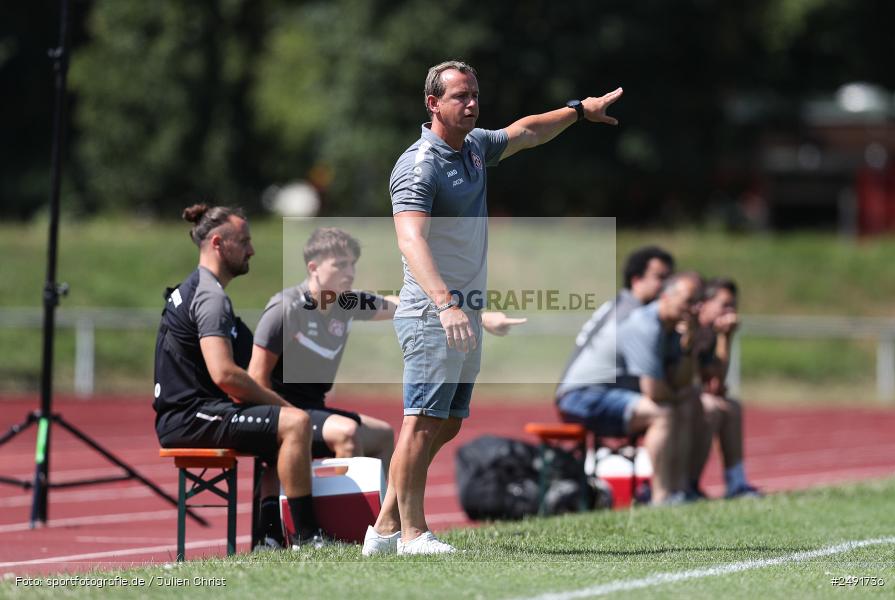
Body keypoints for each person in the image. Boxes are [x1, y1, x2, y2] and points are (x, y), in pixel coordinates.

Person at [364, 60, 623, 555]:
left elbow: (526, 132)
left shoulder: (474, 147)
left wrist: (578, 111)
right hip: (433, 313)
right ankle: (412, 535)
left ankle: (383, 528)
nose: (472, 104)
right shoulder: (419, 165)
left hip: (463, 312)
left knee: (447, 422)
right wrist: (445, 304)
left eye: (475, 95)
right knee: (421, 422)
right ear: (433, 104)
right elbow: (410, 239)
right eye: (460, 96)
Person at [153, 204, 324, 549]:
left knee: (281, 426)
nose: (252, 250)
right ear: (218, 243)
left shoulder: (200, 289)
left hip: (193, 413)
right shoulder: (210, 297)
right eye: (244, 241)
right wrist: (283, 405)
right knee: (294, 423)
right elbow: (225, 375)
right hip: (190, 417)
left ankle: (269, 536)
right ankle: (308, 538)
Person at [247, 227, 398, 548]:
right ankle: (344, 532)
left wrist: (459, 311)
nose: (350, 272)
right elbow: (255, 377)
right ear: (313, 267)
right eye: (340, 264)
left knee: (383, 434)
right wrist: (291, 418)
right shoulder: (286, 308)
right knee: (346, 433)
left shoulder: (347, 303)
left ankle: (384, 526)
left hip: (315, 408)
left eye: (352, 264)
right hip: (281, 411)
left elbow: (397, 305)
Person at [557, 273, 703, 505]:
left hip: (612, 394)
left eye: (698, 302)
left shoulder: (674, 329)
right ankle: (661, 497)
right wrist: (679, 394)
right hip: (581, 396)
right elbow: (654, 390)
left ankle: (683, 489)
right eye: (689, 301)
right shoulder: (645, 324)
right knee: (662, 413)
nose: (695, 309)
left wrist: (688, 347)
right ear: (666, 297)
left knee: (689, 404)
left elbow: (681, 382)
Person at [557, 246, 675, 399]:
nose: (668, 287)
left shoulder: (622, 305)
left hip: (580, 388)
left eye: (670, 279)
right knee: (665, 408)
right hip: (587, 391)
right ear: (636, 280)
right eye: (660, 278)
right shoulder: (631, 314)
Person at [689, 277, 760, 499]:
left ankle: (736, 482)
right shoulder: (690, 329)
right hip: (672, 396)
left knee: (732, 407)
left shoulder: (712, 333)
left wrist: (725, 337)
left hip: (694, 397)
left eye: (734, 306)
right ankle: (688, 484)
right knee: (711, 407)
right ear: (705, 303)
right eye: (725, 305)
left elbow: (716, 382)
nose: (731, 312)